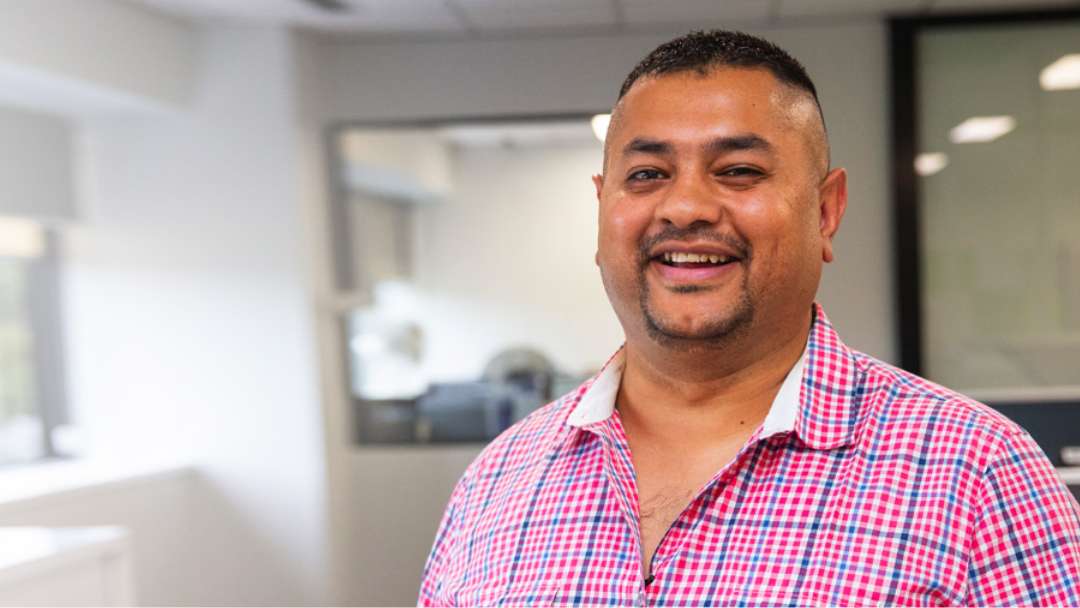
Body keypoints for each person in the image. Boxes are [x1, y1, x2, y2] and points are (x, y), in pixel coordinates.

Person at [418, 30, 1080, 607]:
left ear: (826, 211)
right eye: (646, 174)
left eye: (737, 170)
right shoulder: (497, 481)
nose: (685, 208)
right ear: (603, 209)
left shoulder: (977, 475)